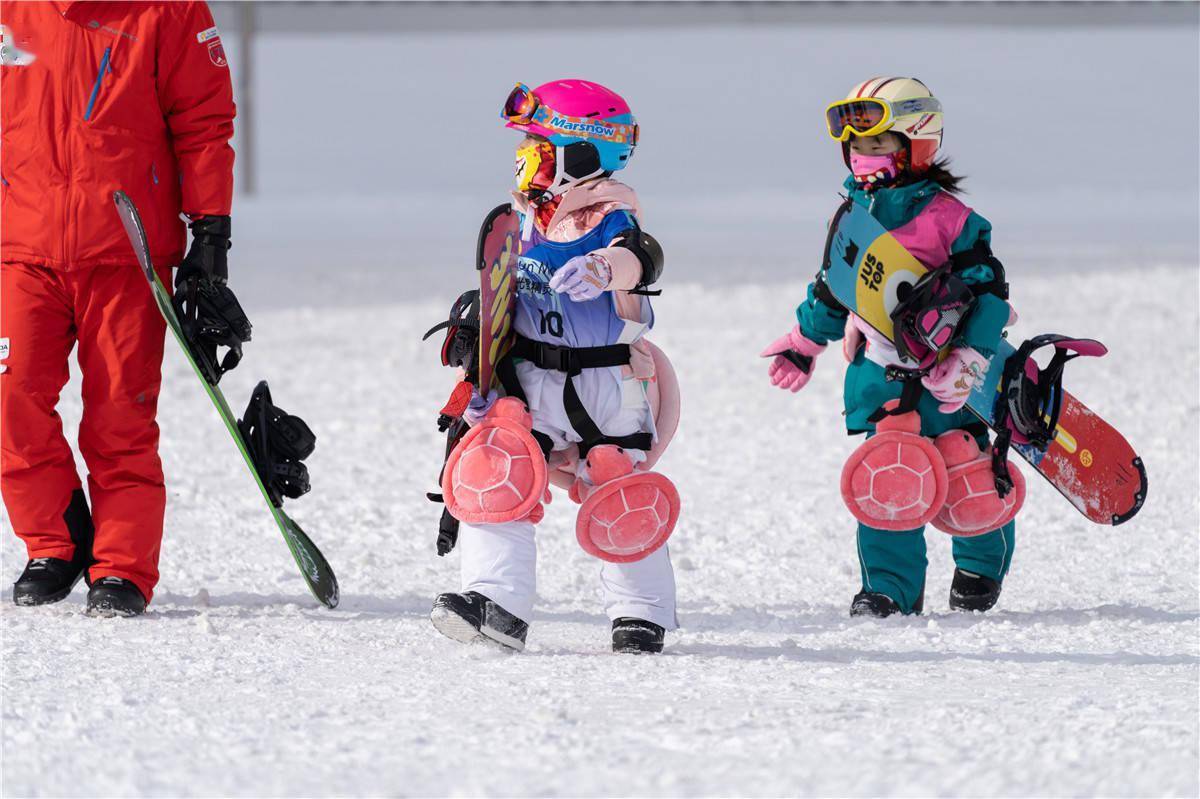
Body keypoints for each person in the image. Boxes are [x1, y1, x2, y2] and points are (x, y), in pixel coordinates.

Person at [1, 1, 239, 616]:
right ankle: (55, 542)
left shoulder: (169, 10)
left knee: (121, 417)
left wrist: (211, 230)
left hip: (128, 249)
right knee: (9, 401)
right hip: (21, 248)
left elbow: (204, 120)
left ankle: (121, 565)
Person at [431, 79, 681, 653]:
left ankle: (640, 613)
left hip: (605, 383)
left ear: (582, 155)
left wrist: (604, 268)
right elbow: (499, 296)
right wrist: (481, 357)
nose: (527, 163)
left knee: (615, 481)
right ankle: (496, 603)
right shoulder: (524, 220)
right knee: (496, 469)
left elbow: (642, 258)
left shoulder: (610, 215)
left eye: (540, 151)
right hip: (533, 379)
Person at [762, 77, 1016, 616]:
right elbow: (835, 287)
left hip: (948, 374)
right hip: (883, 371)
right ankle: (889, 587)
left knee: (962, 465)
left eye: (878, 143)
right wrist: (804, 342)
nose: (863, 156)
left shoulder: (952, 220)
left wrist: (972, 356)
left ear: (915, 143)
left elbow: (990, 291)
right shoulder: (855, 214)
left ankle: (980, 563)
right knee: (891, 474)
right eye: (856, 145)